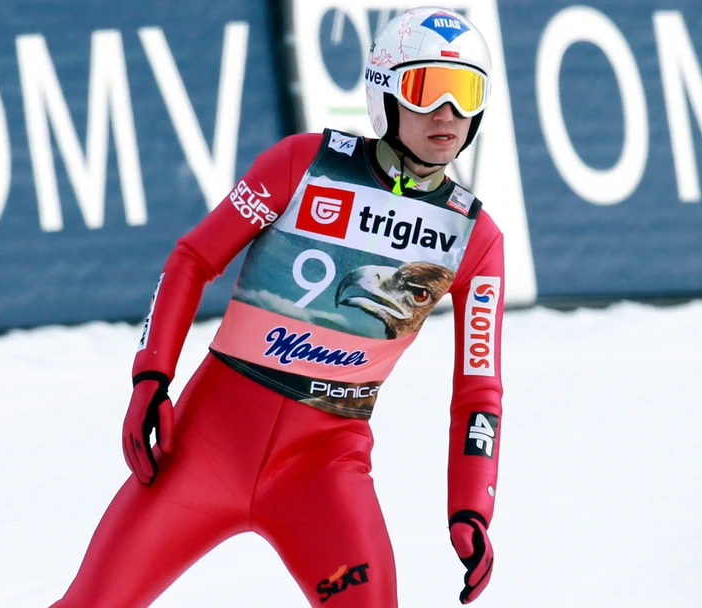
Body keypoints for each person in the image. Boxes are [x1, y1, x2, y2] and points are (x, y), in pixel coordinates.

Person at [50, 7, 504, 607]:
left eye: (466, 93)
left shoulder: (476, 238)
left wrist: (471, 508)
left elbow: (478, 392)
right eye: (427, 89)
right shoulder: (302, 163)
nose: (447, 113)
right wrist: (151, 378)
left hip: (321, 472)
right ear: (386, 94)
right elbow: (192, 259)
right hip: (204, 450)